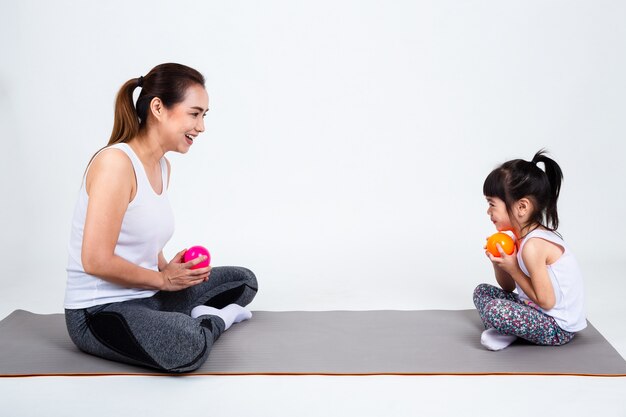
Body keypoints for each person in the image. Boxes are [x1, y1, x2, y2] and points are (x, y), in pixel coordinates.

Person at [64, 63, 258, 372]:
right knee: (188, 346)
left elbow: (141, 235)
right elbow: (95, 260)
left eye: (204, 116)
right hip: (98, 312)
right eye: (194, 114)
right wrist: (163, 280)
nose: (201, 127)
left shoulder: (162, 167)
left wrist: (167, 268)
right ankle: (215, 319)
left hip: (149, 296)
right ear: (158, 108)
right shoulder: (115, 163)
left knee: (244, 281)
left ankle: (187, 318)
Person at [473, 150, 586, 351]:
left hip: (557, 326)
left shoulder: (533, 246)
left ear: (522, 207)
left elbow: (547, 302)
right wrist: (498, 263)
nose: (488, 212)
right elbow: (508, 287)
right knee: (481, 292)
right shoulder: (517, 238)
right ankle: (510, 330)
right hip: (535, 309)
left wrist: (514, 268)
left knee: (494, 310)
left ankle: (507, 332)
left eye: (492, 204)